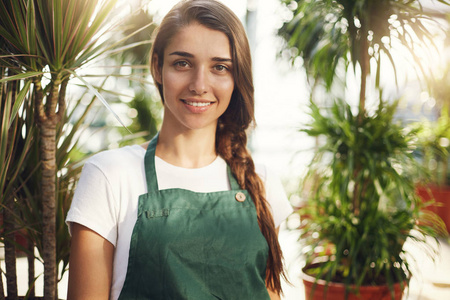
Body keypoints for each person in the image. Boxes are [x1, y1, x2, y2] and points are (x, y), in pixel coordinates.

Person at [66, 0, 293, 299]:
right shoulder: (109, 176)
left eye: (220, 67)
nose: (200, 84)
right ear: (157, 68)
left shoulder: (262, 182)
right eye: (182, 63)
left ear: (236, 79)